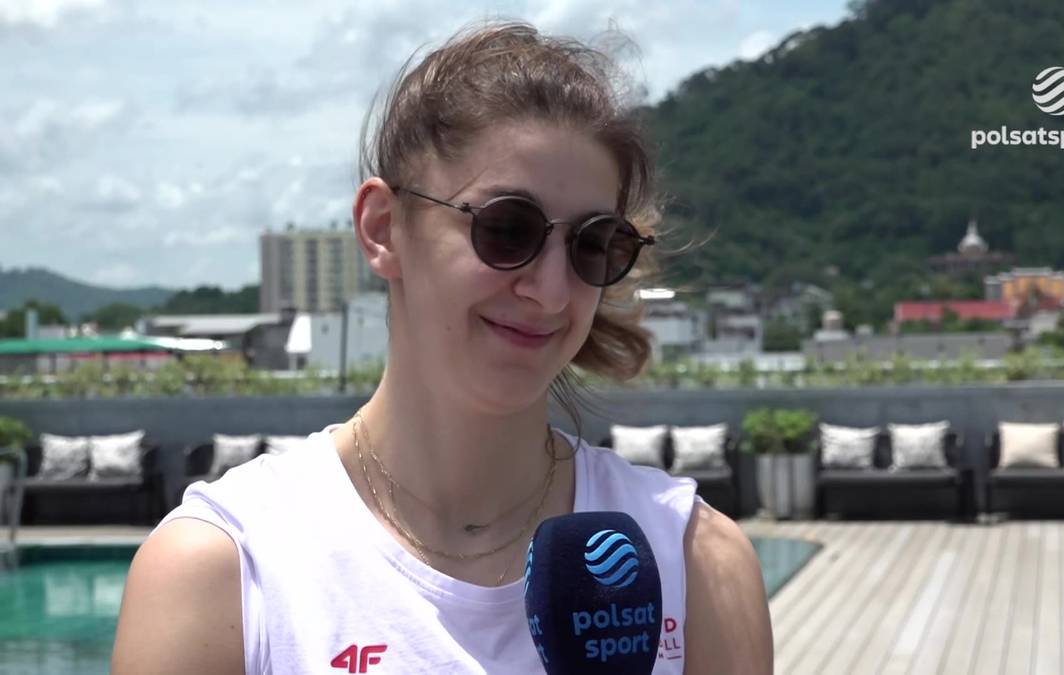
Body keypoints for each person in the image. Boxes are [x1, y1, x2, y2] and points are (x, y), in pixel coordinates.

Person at [112, 21, 771, 674]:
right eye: (507, 229)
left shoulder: (693, 559)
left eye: (593, 244)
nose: (550, 292)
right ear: (382, 229)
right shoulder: (226, 572)